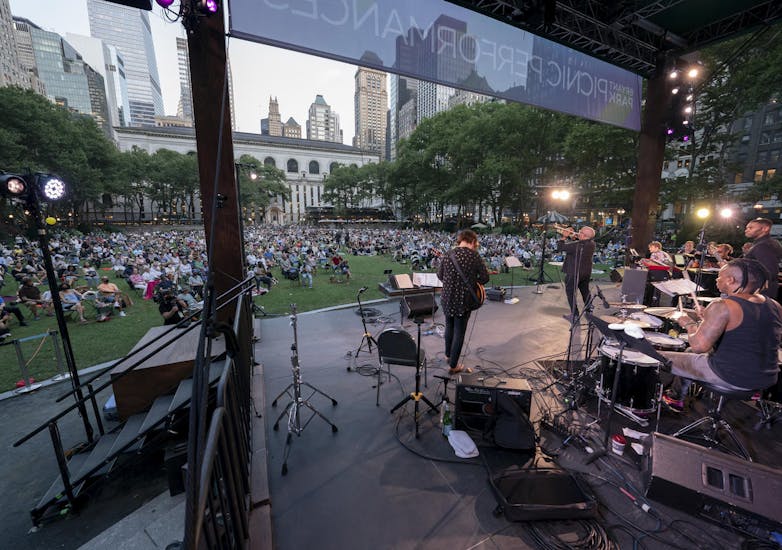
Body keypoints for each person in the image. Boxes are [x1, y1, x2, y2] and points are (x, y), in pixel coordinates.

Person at [660, 259, 782, 411]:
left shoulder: (722, 305)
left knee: (656, 357)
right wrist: (709, 318)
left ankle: (642, 405)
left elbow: (699, 346)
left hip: (731, 376)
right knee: (689, 354)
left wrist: (688, 323)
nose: (717, 280)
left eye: (719, 276)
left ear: (730, 280)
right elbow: (748, 332)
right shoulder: (775, 305)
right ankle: (674, 397)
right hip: (766, 378)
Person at [437, 229, 490, 375]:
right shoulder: (474, 256)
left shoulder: (448, 254)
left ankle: (448, 355)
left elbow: (440, 275)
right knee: (459, 331)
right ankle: (453, 366)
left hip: (447, 297)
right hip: (463, 300)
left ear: (460, 241)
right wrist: (472, 282)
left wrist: (451, 283)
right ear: (472, 241)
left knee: (449, 326)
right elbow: (485, 278)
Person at [557, 226, 596, 321]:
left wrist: (564, 237)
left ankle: (574, 314)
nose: (578, 232)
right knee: (585, 291)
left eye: (581, 232)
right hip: (586, 273)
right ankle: (589, 310)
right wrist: (575, 238)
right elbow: (577, 245)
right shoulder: (591, 243)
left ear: (584, 235)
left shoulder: (578, 245)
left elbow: (560, 247)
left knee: (570, 293)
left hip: (574, 273)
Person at [744, 217, 782, 300]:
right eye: (746, 228)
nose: (746, 230)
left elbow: (770, 271)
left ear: (765, 228)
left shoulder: (763, 245)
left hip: (759, 291)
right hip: (762, 289)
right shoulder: (768, 243)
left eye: (751, 228)